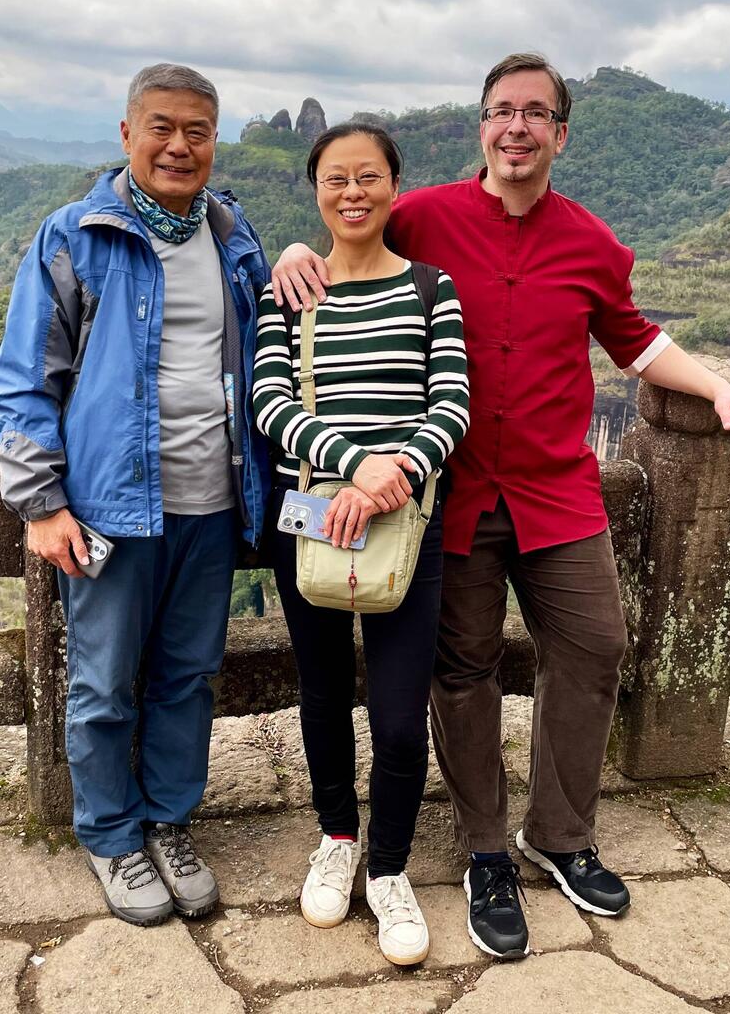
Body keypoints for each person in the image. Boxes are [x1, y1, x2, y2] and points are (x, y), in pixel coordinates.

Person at [271, 53, 730, 959]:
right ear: (482, 127)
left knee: (595, 644)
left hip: (556, 491)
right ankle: (485, 851)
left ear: (559, 134)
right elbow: (351, 228)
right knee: (462, 671)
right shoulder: (424, 216)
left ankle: (561, 834)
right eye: (503, 110)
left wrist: (719, 388)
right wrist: (294, 253)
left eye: (536, 113)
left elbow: (634, 339)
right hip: (452, 494)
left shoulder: (591, 241)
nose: (517, 126)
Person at [0, 63, 270, 927]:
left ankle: (167, 822)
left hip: (212, 506)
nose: (179, 146)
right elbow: (24, 378)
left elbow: (271, 346)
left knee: (188, 677)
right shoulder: (77, 236)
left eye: (197, 131)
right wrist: (41, 503)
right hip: (110, 507)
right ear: (126, 134)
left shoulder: (232, 237)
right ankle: (111, 835)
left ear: (215, 141)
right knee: (104, 683)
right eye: (161, 127)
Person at [254, 123, 469, 965]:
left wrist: (392, 478)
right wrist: (356, 466)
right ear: (315, 190)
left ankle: (389, 869)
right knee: (321, 690)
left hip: (406, 523)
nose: (353, 192)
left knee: (400, 714)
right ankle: (337, 836)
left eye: (369, 177)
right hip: (309, 517)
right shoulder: (288, 293)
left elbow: (451, 403)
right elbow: (270, 404)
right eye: (336, 179)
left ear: (394, 186)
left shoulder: (431, 288)